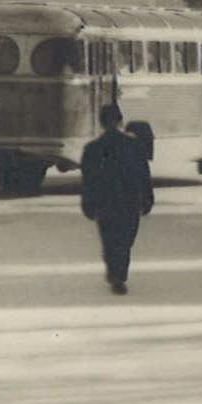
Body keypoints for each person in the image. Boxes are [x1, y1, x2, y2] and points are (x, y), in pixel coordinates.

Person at [80, 103, 152, 295]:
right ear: (120, 121)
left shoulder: (92, 149)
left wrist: (87, 203)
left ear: (101, 122)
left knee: (109, 239)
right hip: (129, 200)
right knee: (125, 240)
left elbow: (88, 180)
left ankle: (115, 272)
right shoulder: (134, 146)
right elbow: (144, 174)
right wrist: (148, 198)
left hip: (105, 202)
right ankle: (118, 274)